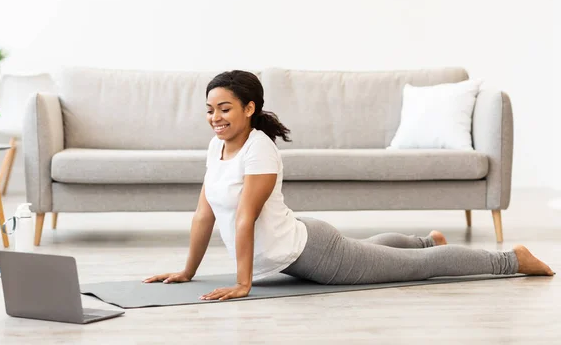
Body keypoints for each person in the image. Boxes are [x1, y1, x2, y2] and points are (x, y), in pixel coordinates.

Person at [144, 70, 554, 301]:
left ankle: (512, 260)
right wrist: (187, 271)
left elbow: (245, 217)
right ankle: (425, 239)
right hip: (301, 249)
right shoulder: (216, 148)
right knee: (374, 251)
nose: (215, 117)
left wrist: (243, 283)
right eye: (210, 110)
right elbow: (204, 214)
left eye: (226, 108)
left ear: (250, 109)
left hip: (316, 255)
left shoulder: (259, 150)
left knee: (417, 271)